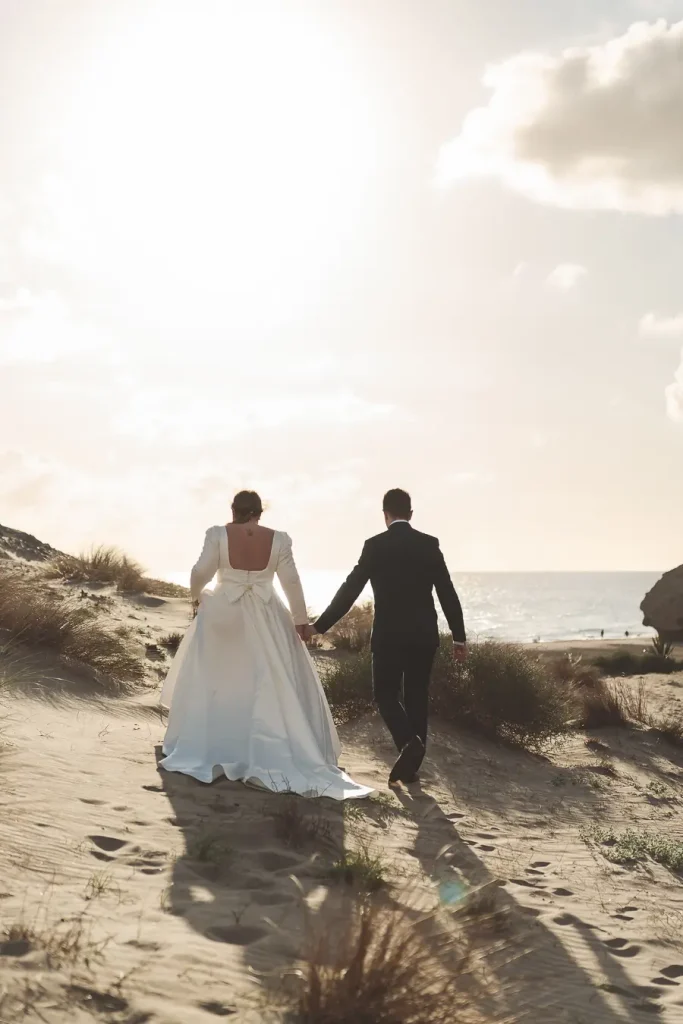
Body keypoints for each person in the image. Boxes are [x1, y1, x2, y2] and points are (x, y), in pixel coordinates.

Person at [159, 490, 372, 801]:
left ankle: (215, 745)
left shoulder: (218, 534)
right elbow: (292, 582)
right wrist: (300, 621)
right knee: (264, 681)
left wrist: (198, 596)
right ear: (259, 512)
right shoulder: (279, 539)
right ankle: (261, 749)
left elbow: (199, 573)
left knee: (218, 678)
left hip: (223, 613)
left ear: (234, 510)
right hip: (267, 613)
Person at [305, 489, 466, 787]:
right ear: (411, 513)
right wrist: (459, 637)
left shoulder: (375, 546)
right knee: (416, 695)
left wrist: (320, 626)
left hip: (389, 635)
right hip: (423, 635)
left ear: (385, 515)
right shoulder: (429, 545)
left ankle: (408, 743)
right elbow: (447, 591)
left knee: (385, 694)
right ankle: (411, 765)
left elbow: (350, 589)